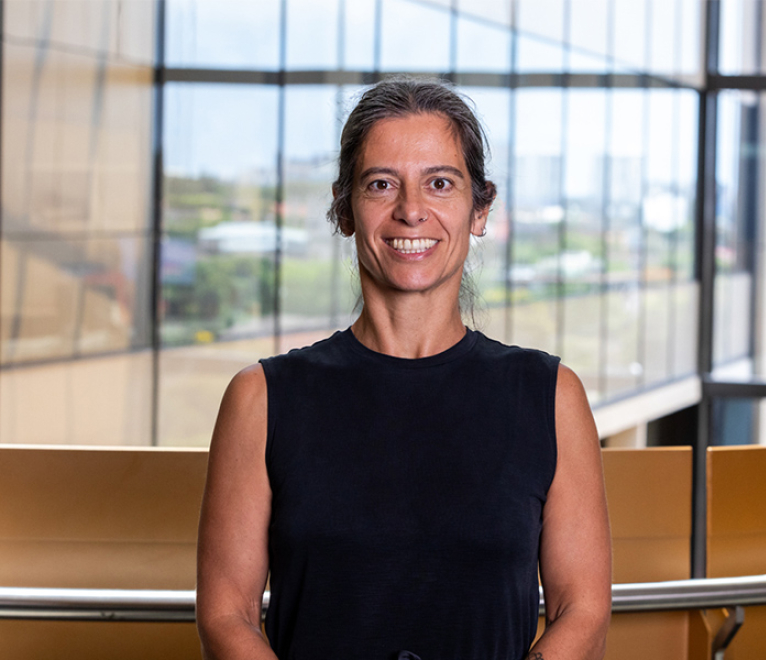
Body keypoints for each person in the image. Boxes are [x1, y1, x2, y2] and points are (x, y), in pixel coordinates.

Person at [196, 77, 611, 660]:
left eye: (440, 183)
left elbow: (583, 610)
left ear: (480, 210)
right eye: (381, 184)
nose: (411, 211)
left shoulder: (549, 396)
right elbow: (226, 615)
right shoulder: (262, 398)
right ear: (345, 209)